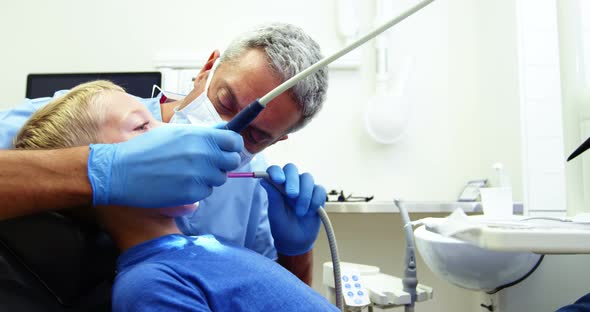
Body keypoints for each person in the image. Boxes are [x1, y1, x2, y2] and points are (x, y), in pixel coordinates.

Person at [0, 22, 328, 284]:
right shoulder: (84, 113)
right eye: (226, 102)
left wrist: (296, 252)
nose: (226, 131)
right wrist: (100, 169)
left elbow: (270, 294)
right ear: (207, 69)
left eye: (255, 135)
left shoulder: (253, 186)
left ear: (276, 141)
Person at [14, 80, 337, 311]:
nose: (178, 133)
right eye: (141, 126)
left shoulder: (209, 247)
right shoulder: (152, 284)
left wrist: (295, 250)